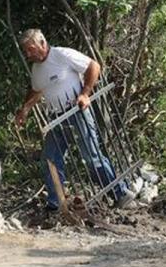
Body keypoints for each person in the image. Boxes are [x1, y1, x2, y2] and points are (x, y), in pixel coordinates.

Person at [14, 29, 135, 210]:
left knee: (91, 157)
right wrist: (25, 109)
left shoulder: (62, 55)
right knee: (50, 160)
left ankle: (120, 193)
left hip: (76, 112)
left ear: (42, 43)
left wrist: (85, 94)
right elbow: (36, 90)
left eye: (31, 49)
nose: (28, 54)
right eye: (26, 51)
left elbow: (93, 66)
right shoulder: (36, 69)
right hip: (56, 118)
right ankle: (56, 203)